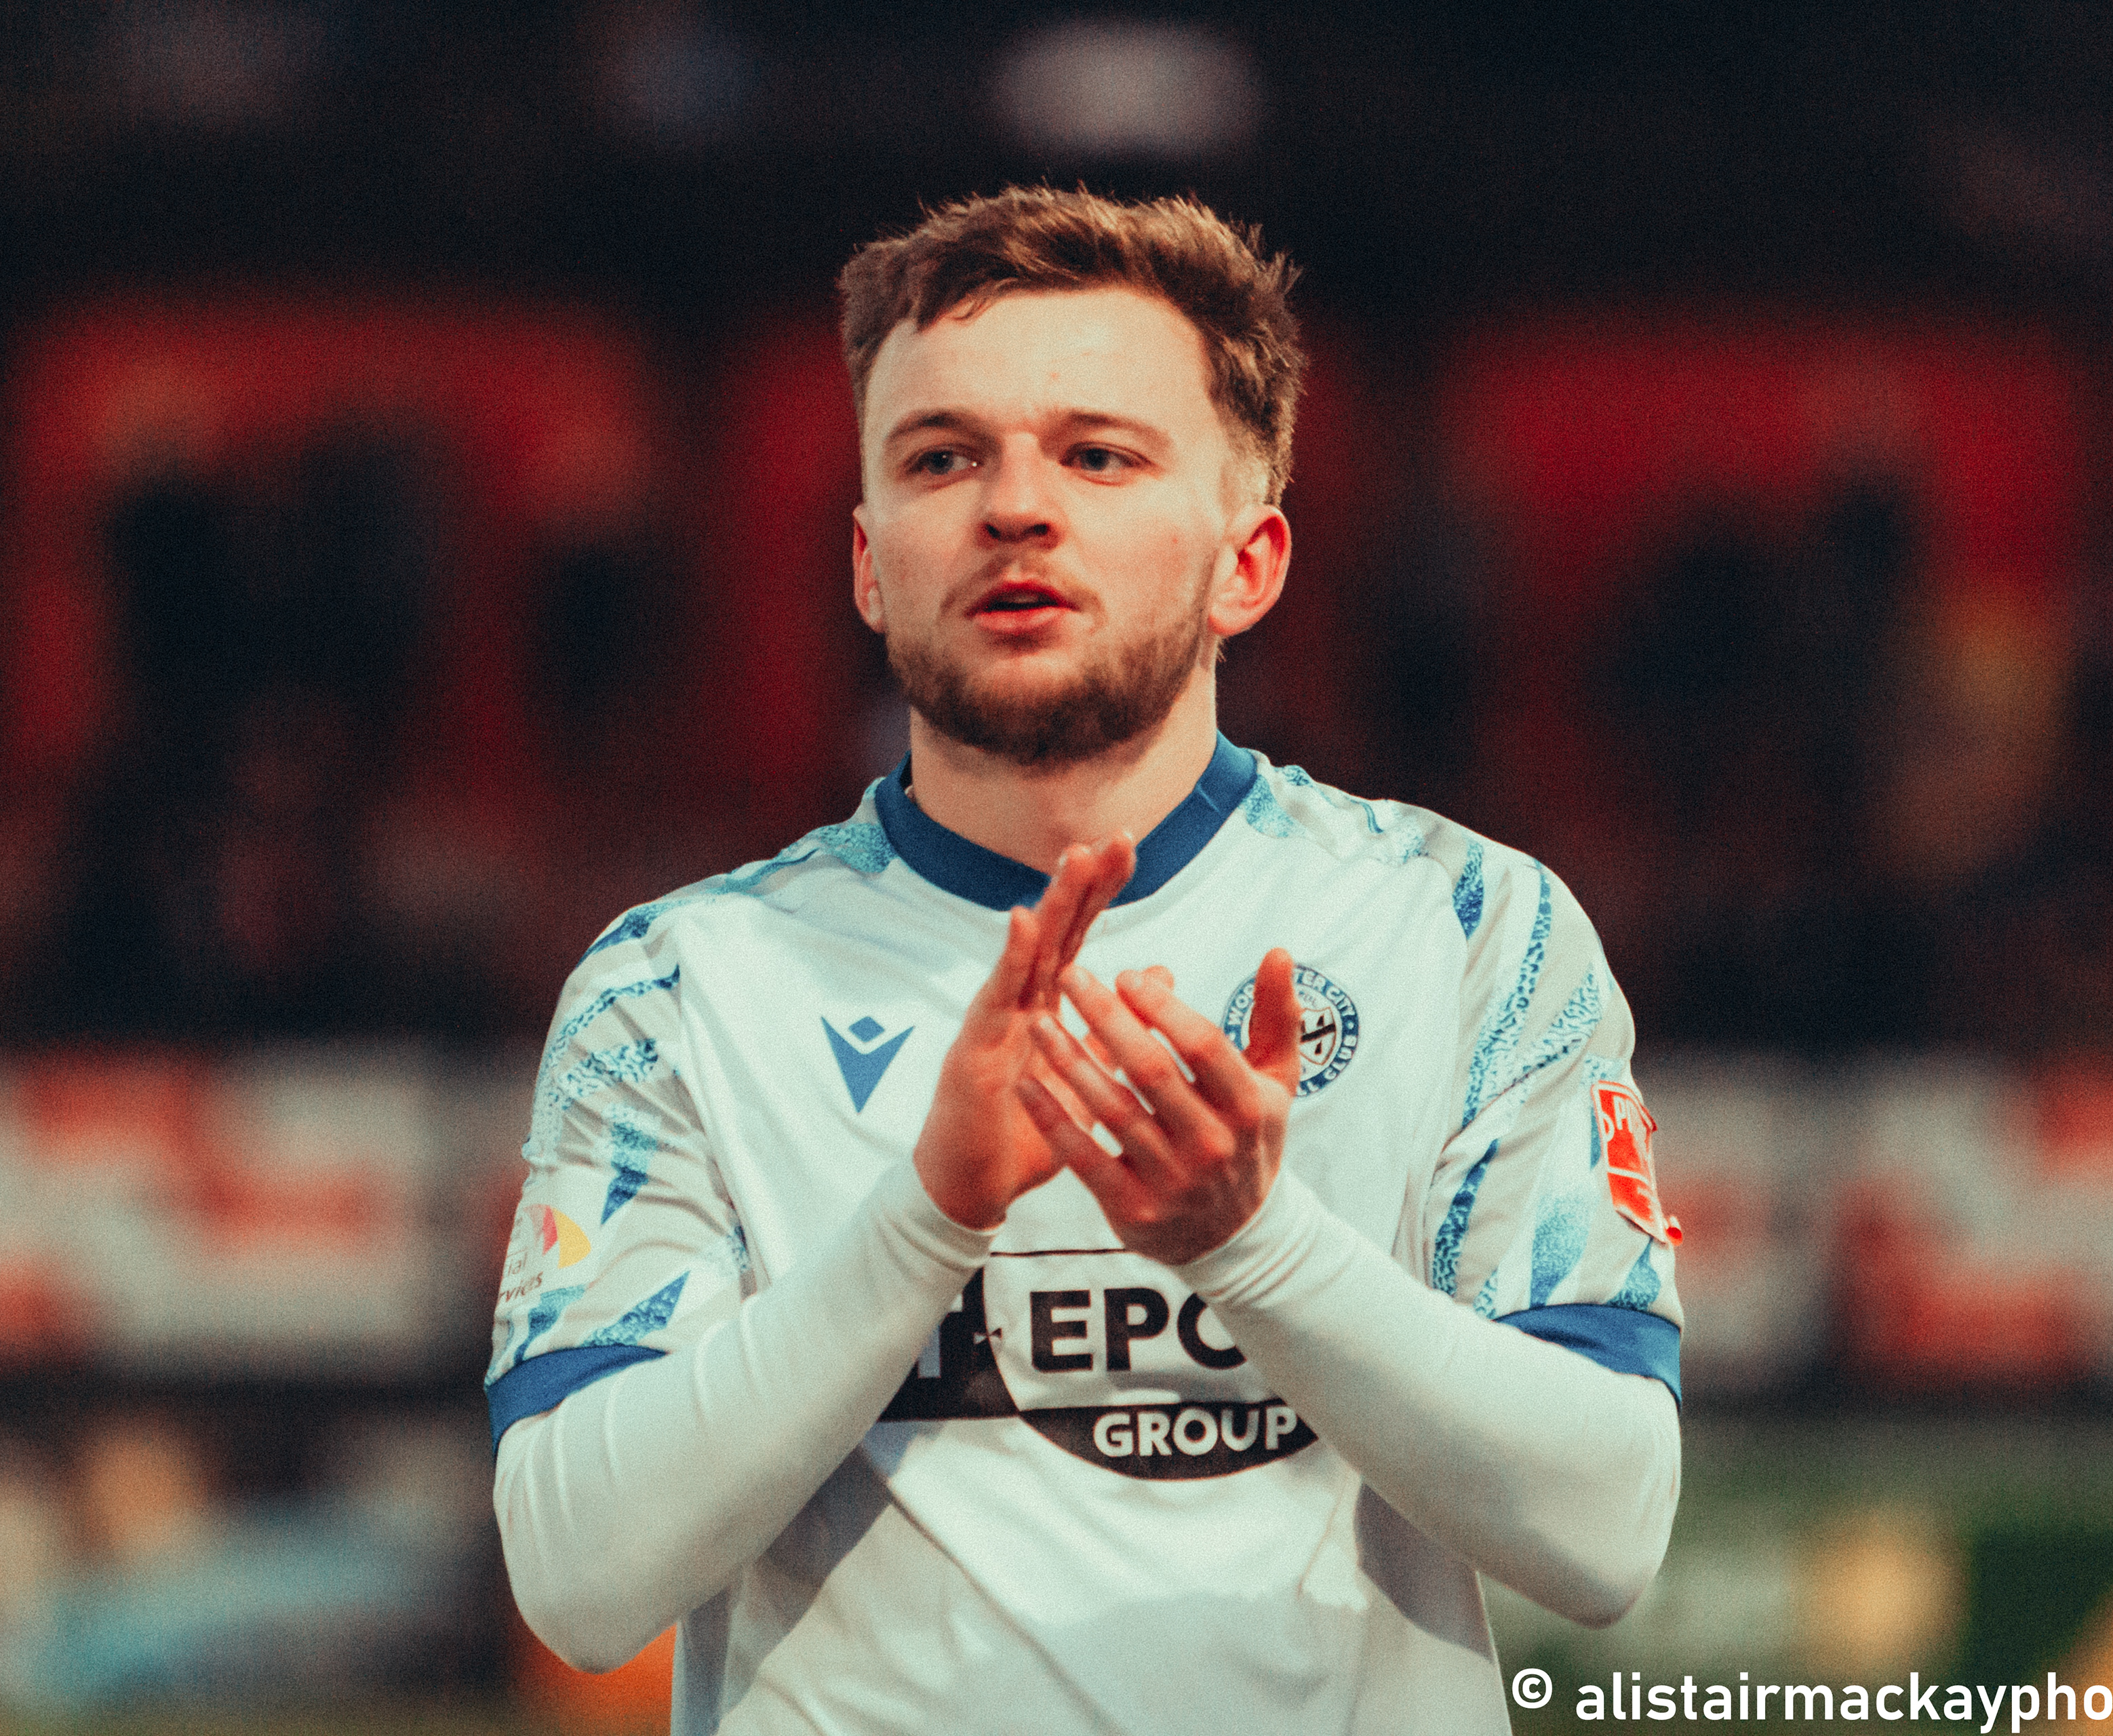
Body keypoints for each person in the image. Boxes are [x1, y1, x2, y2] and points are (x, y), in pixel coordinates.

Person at [488, 186, 1684, 1735]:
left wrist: (1257, 1246)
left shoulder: (1470, 932)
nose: (1014, 507)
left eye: (1099, 455)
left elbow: (1605, 1532)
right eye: (941, 458)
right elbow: (580, 1581)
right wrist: (928, 1218)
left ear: (1250, 560)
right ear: (867, 563)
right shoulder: (677, 988)